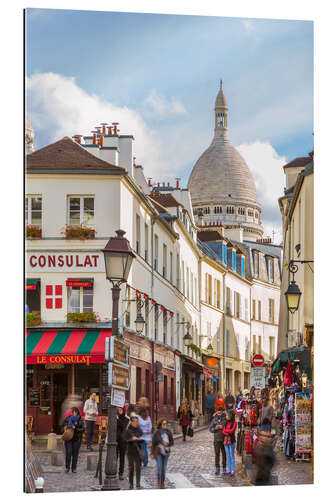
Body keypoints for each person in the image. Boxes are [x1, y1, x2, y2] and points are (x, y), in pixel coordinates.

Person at [151, 419, 174, 489]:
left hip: (166, 452)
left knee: (164, 468)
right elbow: (153, 443)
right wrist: (152, 453)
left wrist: (168, 443)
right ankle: (159, 481)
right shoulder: (157, 433)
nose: (165, 425)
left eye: (166, 424)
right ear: (160, 425)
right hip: (158, 452)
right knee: (159, 467)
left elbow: (172, 442)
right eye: (164, 424)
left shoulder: (168, 432)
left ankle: (162, 482)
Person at [124, 416, 144, 489]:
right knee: (131, 468)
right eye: (134, 421)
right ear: (131, 422)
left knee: (138, 468)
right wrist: (131, 439)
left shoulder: (139, 430)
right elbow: (125, 440)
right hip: (130, 452)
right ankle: (131, 484)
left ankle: (138, 484)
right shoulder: (128, 430)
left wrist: (137, 438)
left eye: (137, 421)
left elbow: (141, 436)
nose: (136, 423)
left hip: (138, 451)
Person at [62, 407, 85, 473]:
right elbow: (62, 424)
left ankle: (74, 468)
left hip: (77, 439)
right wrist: (66, 426)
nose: (72, 413)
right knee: (68, 453)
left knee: (75, 454)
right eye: (71, 412)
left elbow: (83, 429)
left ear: (76, 412)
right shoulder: (68, 418)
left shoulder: (80, 419)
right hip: (68, 438)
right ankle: (67, 467)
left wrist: (76, 428)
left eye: (73, 412)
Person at [209, 406, 227, 475]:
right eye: (218, 412)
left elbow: (228, 427)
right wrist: (215, 428)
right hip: (216, 439)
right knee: (217, 454)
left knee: (224, 454)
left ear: (222, 412)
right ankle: (217, 468)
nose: (219, 413)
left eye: (220, 412)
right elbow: (210, 429)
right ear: (216, 412)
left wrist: (223, 427)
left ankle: (224, 468)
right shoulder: (214, 419)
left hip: (224, 439)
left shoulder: (225, 418)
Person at [222, 410, 237, 476]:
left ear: (231, 416)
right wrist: (227, 432)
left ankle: (232, 470)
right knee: (228, 456)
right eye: (226, 415)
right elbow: (223, 431)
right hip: (226, 440)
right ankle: (229, 470)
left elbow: (232, 431)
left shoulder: (235, 423)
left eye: (227, 415)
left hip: (231, 441)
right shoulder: (225, 423)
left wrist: (226, 431)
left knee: (232, 456)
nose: (226, 416)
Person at [116, 406, 129, 480]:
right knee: (115, 457)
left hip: (123, 441)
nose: (119, 411)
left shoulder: (127, 419)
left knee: (122, 457)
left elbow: (123, 426)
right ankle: (113, 471)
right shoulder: (115, 418)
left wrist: (118, 420)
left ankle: (121, 473)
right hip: (115, 440)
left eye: (121, 410)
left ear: (123, 410)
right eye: (118, 410)